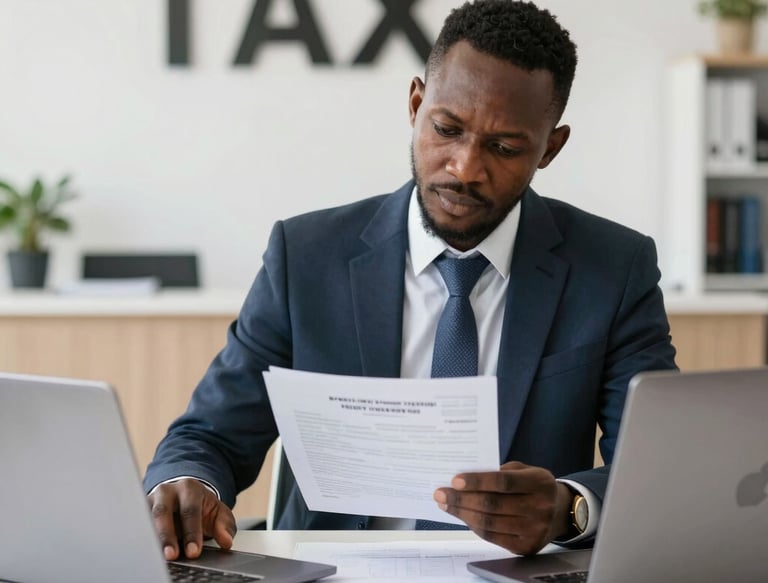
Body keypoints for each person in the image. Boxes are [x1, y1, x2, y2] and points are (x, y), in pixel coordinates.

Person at [145, 0, 677, 561]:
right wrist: (188, 488)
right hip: (337, 570)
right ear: (416, 103)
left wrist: (569, 507)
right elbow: (208, 437)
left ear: (550, 147)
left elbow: (656, 468)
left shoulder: (615, 269)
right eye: (447, 129)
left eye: (504, 147)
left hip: (520, 575)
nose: (465, 167)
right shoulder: (305, 258)